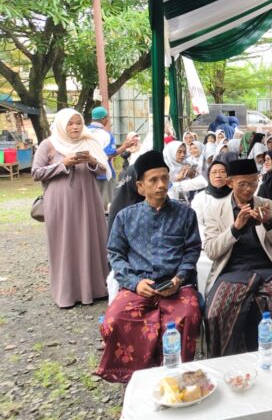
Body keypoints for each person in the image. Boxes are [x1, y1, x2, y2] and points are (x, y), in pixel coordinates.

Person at [96, 151, 202, 382]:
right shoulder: (125, 217)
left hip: (176, 285)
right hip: (138, 285)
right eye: (153, 180)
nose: (161, 185)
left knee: (188, 315)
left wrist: (179, 278)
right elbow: (115, 254)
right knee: (114, 320)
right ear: (140, 187)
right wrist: (134, 283)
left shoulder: (185, 214)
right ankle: (137, 383)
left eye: (165, 178)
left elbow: (192, 250)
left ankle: (176, 381)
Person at [203, 159, 272, 356]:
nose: (249, 189)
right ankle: (226, 364)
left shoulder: (267, 205)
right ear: (230, 183)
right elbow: (212, 251)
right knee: (216, 312)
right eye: (242, 184)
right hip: (232, 270)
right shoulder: (215, 210)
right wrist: (235, 228)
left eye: (254, 182)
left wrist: (270, 222)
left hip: (266, 268)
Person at [32, 108, 111, 308]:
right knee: (65, 243)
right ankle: (68, 294)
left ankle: (96, 289)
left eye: (78, 122)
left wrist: (92, 161)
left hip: (89, 200)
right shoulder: (48, 144)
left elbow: (104, 171)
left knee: (91, 240)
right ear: (61, 125)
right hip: (61, 204)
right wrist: (63, 164)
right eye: (70, 123)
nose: (75, 127)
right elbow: (36, 172)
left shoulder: (89, 141)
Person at [88, 106, 129, 212]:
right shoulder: (106, 135)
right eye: (107, 118)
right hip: (103, 174)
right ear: (103, 119)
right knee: (107, 207)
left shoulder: (84, 133)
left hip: (86, 175)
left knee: (90, 206)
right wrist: (124, 146)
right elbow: (109, 154)